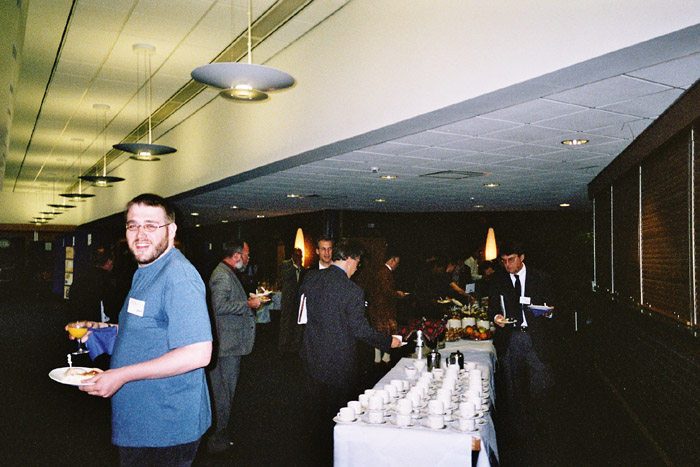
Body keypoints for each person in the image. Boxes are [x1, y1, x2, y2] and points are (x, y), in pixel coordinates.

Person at [69, 193, 213, 466]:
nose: (140, 234)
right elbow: (146, 328)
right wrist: (101, 329)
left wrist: (121, 375)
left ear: (171, 230)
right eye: (133, 225)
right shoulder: (145, 271)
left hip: (165, 426)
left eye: (151, 225)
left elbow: (198, 353)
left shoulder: (178, 276)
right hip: (141, 419)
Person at [299, 241, 401, 461]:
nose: (357, 268)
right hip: (338, 360)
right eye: (358, 263)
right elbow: (360, 330)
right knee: (338, 412)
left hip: (311, 354)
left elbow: (302, 317)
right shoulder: (352, 290)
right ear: (349, 259)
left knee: (314, 410)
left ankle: (312, 454)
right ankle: (333, 456)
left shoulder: (310, 279)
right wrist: (388, 342)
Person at [488, 240, 557, 465]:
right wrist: (496, 317)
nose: (507, 265)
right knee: (513, 387)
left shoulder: (541, 278)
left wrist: (548, 313)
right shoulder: (497, 280)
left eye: (511, 260)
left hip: (535, 337)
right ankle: (520, 435)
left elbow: (553, 307)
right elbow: (492, 308)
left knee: (542, 384)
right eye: (504, 261)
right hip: (511, 338)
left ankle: (543, 429)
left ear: (522, 257)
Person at [206, 239, 262, 453]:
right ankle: (218, 438)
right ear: (237, 255)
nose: (248, 260)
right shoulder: (222, 274)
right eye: (246, 256)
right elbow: (219, 306)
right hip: (227, 346)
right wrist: (247, 304)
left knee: (225, 391)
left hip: (229, 344)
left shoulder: (226, 273)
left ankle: (220, 435)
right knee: (224, 392)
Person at [367, 250, 406, 364]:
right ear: (392, 260)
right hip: (384, 309)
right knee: (388, 333)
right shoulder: (385, 273)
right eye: (397, 262)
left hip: (377, 308)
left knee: (379, 333)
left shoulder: (380, 271)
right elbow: (387, 292)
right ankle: (385, 357)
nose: (397, 265)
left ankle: (378, 357)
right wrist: (398, 294)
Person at [67, 248, 118, 323]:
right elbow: (110, 310)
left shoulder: (79, 279)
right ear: (109, 262)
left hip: (78, 324)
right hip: (96, 326)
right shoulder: (106, 282)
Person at [277, 248, 305, 353]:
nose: (299, 258)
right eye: (297, 256)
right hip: (288, 299)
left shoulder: (302, 269)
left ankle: (295, 346)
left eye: (300, 256)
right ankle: (283, 346)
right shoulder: (286, 264)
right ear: (293, 255)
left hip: (297, 299)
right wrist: (295, 266)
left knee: (297, 323)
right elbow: (285, 276)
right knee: (286, 322)